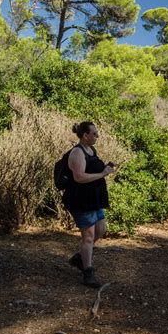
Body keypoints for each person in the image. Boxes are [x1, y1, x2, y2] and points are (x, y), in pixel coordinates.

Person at [63, 121, 116, 288]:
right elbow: (79, 177)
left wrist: (105, 168)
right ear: (85, 135)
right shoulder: (77, 153)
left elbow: (92, 170)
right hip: (81, 200)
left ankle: (79, 257)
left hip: (95, 199)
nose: (97, 136)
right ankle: (88, 272)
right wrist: (102, 174)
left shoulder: (91, 150)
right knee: (88, 237)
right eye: (94, 133)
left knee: (101, 229)